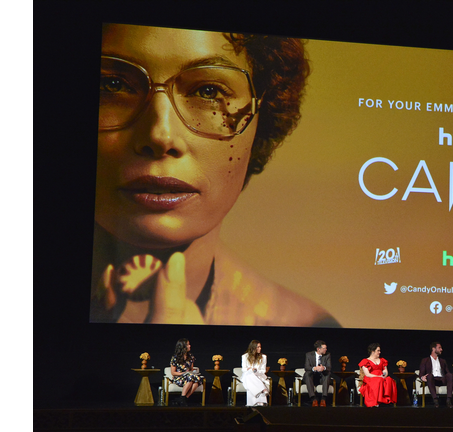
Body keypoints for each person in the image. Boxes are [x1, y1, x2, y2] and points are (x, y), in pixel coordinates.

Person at [89, 23, 338, 327]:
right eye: (113, 85)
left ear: (264, 118)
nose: (160, 135)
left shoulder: (304, 329)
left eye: (208, 91)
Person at [358, 343, 397, 407]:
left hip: (381, 377)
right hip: (371, 378)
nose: (380, 352)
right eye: (378, 350)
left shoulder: (382, 360)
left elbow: (385, 371)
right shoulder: (365, 361)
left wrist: (384, 375)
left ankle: (387, 401)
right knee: (378, 380)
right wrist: (378, 376)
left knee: (389, 380)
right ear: (373, 351)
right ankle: (376, 401)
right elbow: (367, 374)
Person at [418, 342, 453, 408]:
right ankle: (435, 400)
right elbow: (421, 373)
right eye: (439, 348)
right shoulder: (425, 360)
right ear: (433, 349)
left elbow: (447, 372)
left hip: (442, 379)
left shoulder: (442, 361)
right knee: (429, 375)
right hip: (432, 380)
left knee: (450, 375)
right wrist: (422, 377)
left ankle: (448, 400)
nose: (441, 349)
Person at [169, 338, 203, 406]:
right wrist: (184, 373)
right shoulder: (175, 358)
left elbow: (191, 369)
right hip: (179, 377)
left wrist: (191, 372)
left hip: (189, 376)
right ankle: (183, 398)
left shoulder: (190, 357)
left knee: (197, 380)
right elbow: (173, 373)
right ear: (183, 346)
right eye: (188, 345)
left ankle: (183, 399)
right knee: (191, 378)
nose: (190, 346)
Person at [240, 340, 270, 406]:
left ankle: (254, 403)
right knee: (249, 374)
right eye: (258, 347)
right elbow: (244, 369)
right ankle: (263, 390)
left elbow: (263, 370)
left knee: (251, 378)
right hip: (247, 375)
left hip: (258, 375)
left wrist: (256, 371)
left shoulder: (263, 357)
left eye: (260, 347)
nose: (260, 348)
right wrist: (251, 370)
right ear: (253, 348)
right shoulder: (245, 356)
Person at [303, 340, 332, 407]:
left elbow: (329, 367)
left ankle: (323, 399)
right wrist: (315, 368)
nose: (326, 350)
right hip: (312, 377)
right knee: (307, 374)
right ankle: (313, 399)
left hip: (322, 377)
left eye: (326, 348)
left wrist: (323, 368)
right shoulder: (309, 355)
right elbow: (307, 367)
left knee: (328, 374)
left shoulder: (327, 355)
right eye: (324, 348)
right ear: (318, 349)